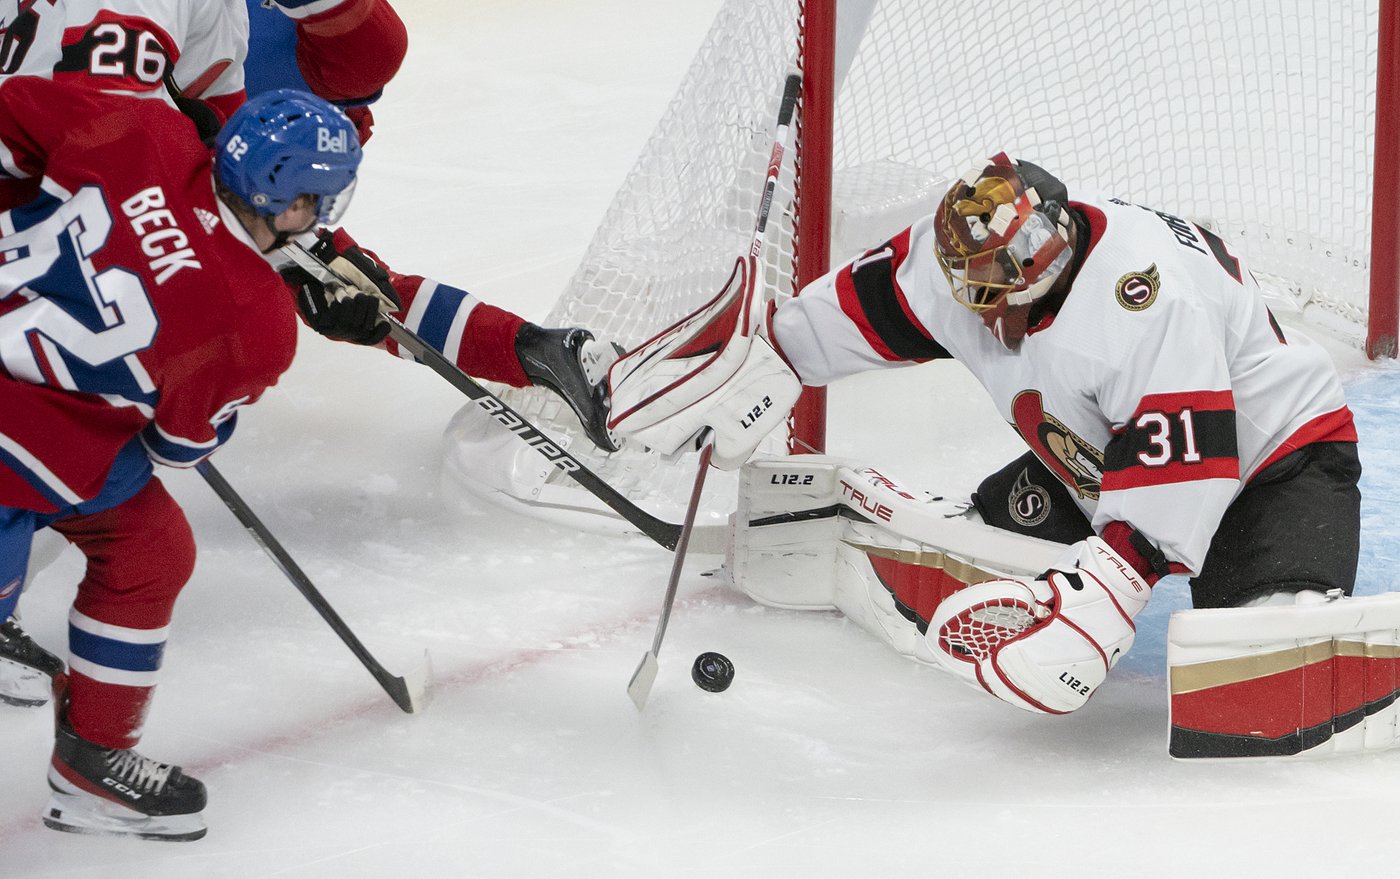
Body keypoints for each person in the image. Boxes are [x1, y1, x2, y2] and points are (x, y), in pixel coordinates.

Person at [0, 0, 618, 707]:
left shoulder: (227, 65)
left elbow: (322, 270)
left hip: (90, 167)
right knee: (75, 430)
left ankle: (531, 348)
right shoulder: (244, 68)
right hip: (76, 176)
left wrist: (518, 345)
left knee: (312, 295)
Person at [608, 152, 1360, 716]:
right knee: (992, 550)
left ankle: (1284, 601)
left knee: (1261, 665)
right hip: (1097, 459)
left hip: (1276, 459)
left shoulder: (1141, 296)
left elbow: (1190, 454)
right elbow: (872, 305)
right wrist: (767, 355)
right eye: (974, 296)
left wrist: (1109, 586)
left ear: (1046, 271)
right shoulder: (968, 261)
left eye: (1000, 301)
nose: (981, 320)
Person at [0, 77, 365, 840]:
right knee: (142, 540)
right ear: (291, 204)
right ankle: (94, 757)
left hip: (28, 435)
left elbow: (13, 122)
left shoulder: (141, 129)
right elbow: (176, 443)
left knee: (151, 545)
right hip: (22, 455)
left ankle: (92, 766)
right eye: (318, 202)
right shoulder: (259, 324)